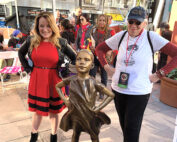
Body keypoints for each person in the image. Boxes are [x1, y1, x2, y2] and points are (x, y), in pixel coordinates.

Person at [96, 6, 177, 142]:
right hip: (118, 89)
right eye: (131, 21)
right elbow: (100, 49)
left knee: (132, 130)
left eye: (138, 22)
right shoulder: (121, 36)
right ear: (127, 22)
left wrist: (160, 74)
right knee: (124, 127)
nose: (133, 25)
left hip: (139, 92)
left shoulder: (151, 37)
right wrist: (106, 67)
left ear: (144, 23)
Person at [18, 11, 76, 142]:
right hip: (37, 80)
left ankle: (53, 136)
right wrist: (28, 69)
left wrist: (65, 69)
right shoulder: (31, 40)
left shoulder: (61, 42)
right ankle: (33, 136)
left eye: (48, 25)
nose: (44, 29)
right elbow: (21, 53)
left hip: (54, 81)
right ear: (37, 27)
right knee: (37, 112)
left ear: (53, 26)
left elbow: (75, 58)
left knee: (54, 112)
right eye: (41, 26)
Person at [56, 49, 115, 142]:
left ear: (92, 65)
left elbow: (111, 95)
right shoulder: (71, 79)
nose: (82, 62)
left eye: (86, 60)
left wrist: (98, 108)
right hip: (75, 115)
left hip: (90, 116)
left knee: (94, 136)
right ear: (75, 62)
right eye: (79, 59)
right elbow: (58, 86)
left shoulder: (94, 82)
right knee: (75, 134)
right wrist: (66, 100)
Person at [89, 14, 115, 100]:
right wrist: (91, 47)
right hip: (94, 56)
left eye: (104, 20)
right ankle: (92, 92)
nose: (102, 22)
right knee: (92, 75)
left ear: (107, 22)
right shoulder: (93, 30)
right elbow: (90, 41)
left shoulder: (111, 31)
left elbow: (115, 44)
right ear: (97, 21)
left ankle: (102, 93)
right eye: (100, 20)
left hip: (104, 58)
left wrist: (110, 51)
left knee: (104, 76)